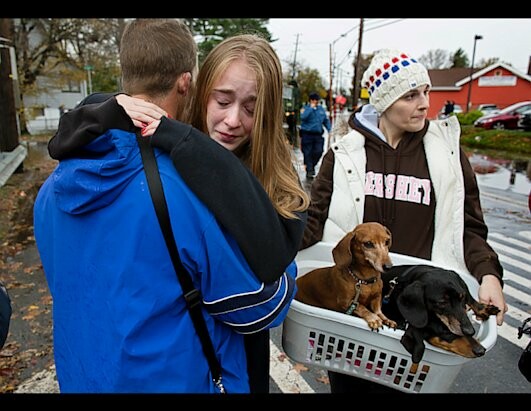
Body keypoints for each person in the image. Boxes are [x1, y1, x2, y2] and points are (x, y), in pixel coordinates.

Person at [34, 19, 301, 394]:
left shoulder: (52, 189)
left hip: (85, 376)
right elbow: (260, 305)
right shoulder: (184, 194)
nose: (231, 119)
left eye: (251, 108)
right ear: (189, 84)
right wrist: (287, 270)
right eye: (222, 100)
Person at [299, 49, 508, 393]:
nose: (425, 104)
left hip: (418, 316)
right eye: (411, 95)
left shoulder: (447, 154)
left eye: (426, 92)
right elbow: (313, 221)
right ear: (384, 101)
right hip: (353, 315)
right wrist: (271, 253)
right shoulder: (344, 153)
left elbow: (468, 227)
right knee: (351, 387)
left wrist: (489, 275)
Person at [299, 92, 331, 180]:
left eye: (316, 100)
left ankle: (311, 165)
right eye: (313, 100)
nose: (315, 102)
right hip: (307, 134)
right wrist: (311, 109)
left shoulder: (321, 110)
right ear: (310, 101)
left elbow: (325, 120)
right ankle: (309, 170)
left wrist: (330, 129)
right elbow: (303, 117)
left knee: (319, 151)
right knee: (307, 153)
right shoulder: (305, 109)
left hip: (318, 135)